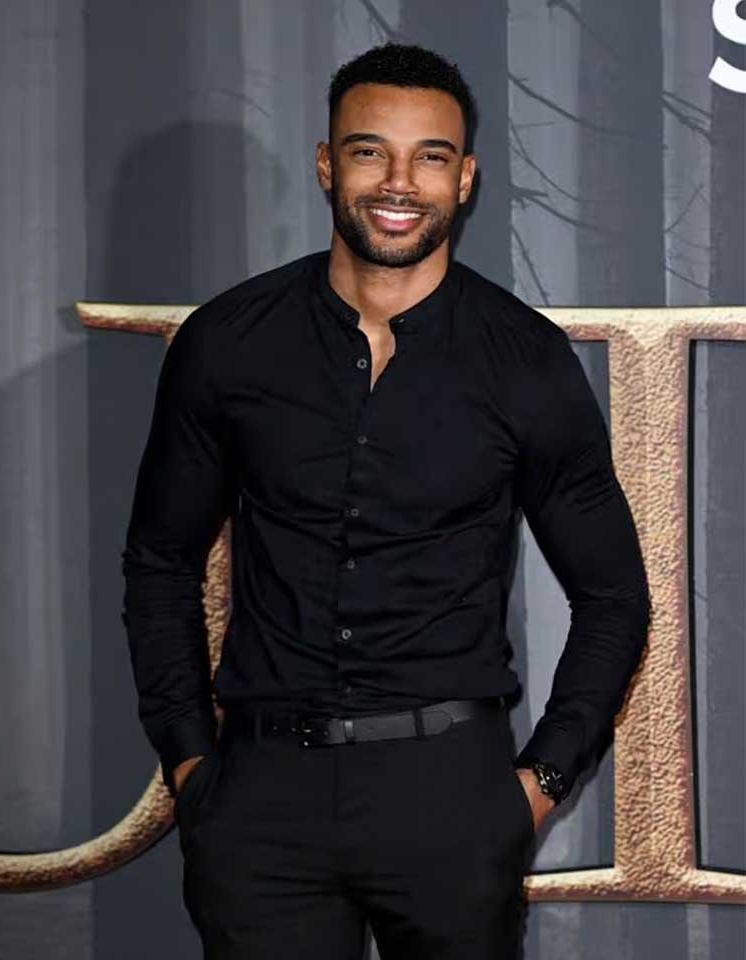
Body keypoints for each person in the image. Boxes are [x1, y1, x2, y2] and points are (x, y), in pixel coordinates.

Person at [121, 42, 651, 960]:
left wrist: (538, 785)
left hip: (451, 795)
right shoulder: (229, 343)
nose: (399, 182)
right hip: (260, 798)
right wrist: (190, 763)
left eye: (429, 156)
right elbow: (160, 562)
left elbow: (614, 598)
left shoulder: (524, 361)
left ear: (465, 178)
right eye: (370, 151)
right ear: (328, 164)